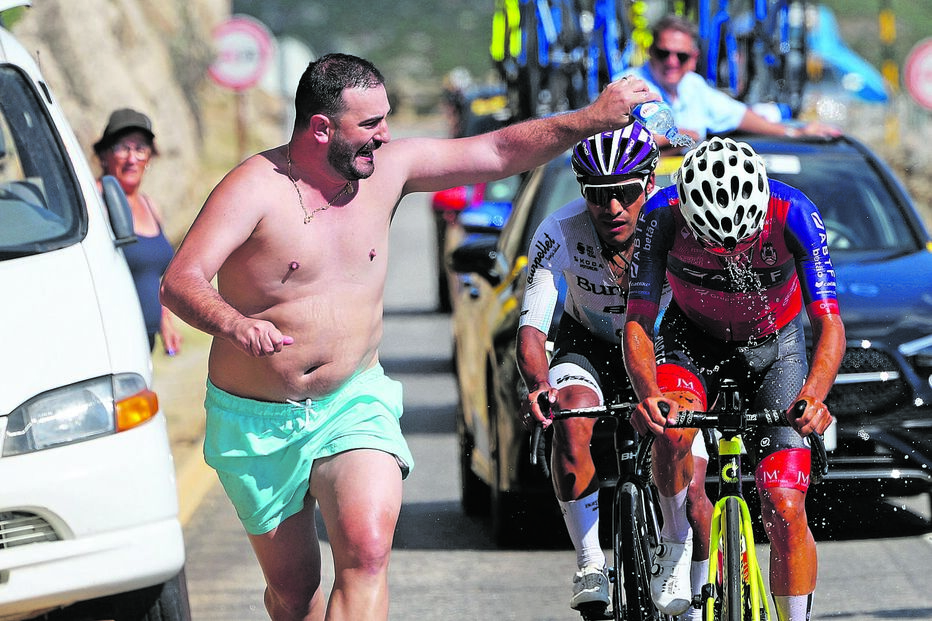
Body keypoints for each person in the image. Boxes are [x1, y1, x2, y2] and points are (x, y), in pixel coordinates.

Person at [159, 53, 659, 621]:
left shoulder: (389, 171)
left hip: (351, 400)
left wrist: (592, 118)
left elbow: (497, 151)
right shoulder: (254, 188)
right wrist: (234, 323)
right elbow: (181, 280)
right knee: (294, 592)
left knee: (368, 550)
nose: (386, 135)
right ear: (322, 127)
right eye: (370, 124)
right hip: (258, 419)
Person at [622, 136, 845, 621]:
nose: (728, 257)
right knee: (672, 429)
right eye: (712, 245)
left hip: (775, 347)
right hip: (691, 341)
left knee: (785, 506)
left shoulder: (794, 213)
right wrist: (649, 394)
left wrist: (814, 395)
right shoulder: (661, 216)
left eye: (740, 245)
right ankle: (678, 543)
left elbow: (829, 324)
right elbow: (638, 319)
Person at [516, 122, 661, 614]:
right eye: (599, 196)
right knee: (572, 417)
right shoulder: (558, 229)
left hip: (660, 345)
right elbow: (533, 327)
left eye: (625, 192)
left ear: (649, 186)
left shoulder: (671, 222)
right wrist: (539, 385)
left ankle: (686, 562)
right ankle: (590, 560)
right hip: (590, 343)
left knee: (689, 440)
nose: (612, 208)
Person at [626, 14, 841, 150]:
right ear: (650, 52)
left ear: (693, 59)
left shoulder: (693, 86)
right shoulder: (628, 86)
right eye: (664, 53)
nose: (672, 62)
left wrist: (796, 133)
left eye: (680, 56)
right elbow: (614, 141)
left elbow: (739, 116)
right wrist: (674, 137)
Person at [94, 108, 182, 355]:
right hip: (111, 343)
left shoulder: (150, 205)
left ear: (150, 157)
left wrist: (165, 321)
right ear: (103, 155)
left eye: (140, 148)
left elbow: (151, 274)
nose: (132, 158)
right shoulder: (95, 202)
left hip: (145, 343)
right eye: (122, 147)